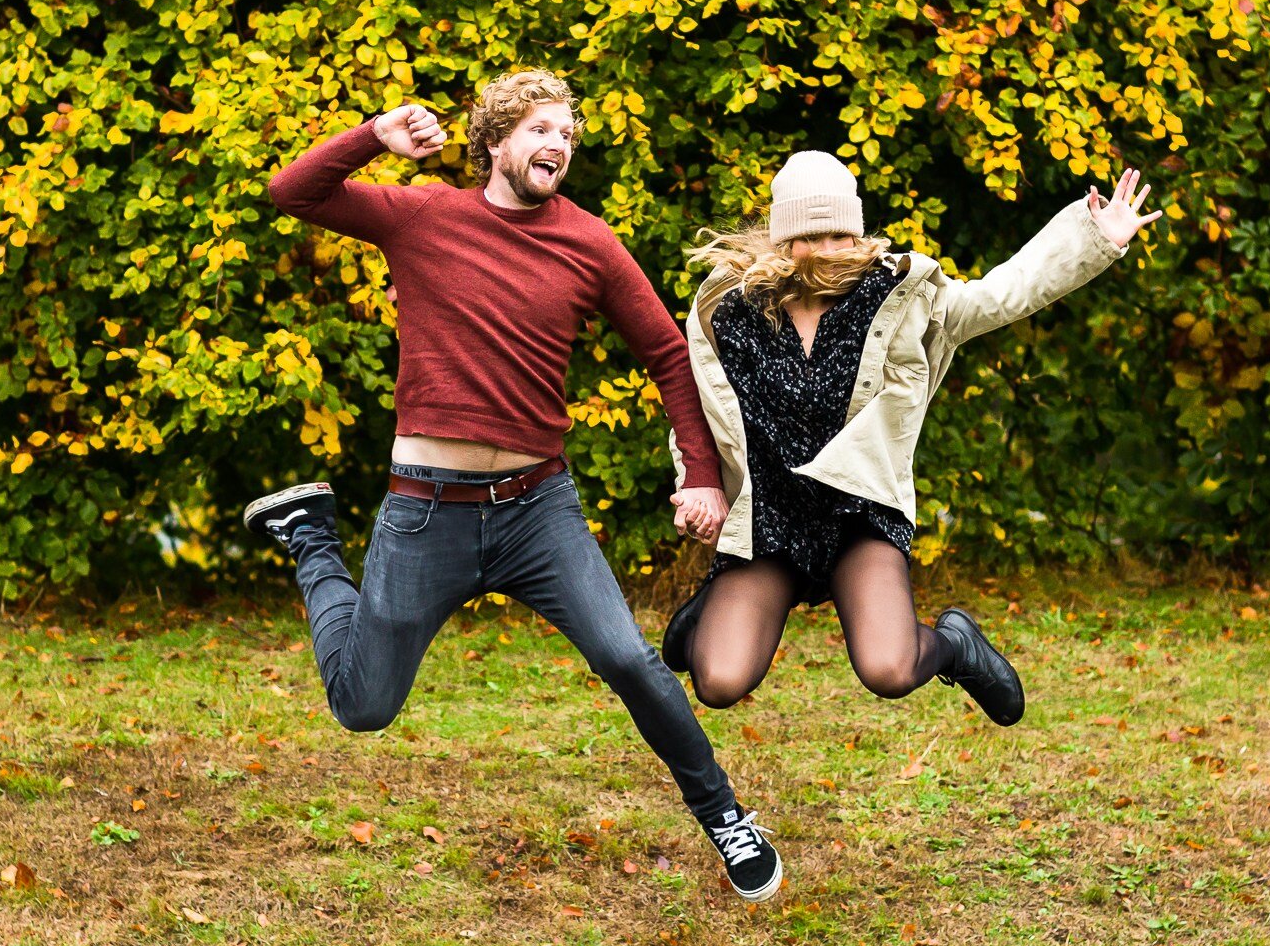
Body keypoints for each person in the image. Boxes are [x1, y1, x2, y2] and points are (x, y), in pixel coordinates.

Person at [243, 68, 781, 900]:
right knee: (363, 707)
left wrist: (701, 476)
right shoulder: (423, 215)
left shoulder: (589, 242)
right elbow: (292, 191)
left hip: (538, 510)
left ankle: (727, 819)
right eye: (539, 129)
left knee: (629, 660)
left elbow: (669, 355)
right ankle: (313, 536)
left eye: (566, 132)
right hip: (425, 511)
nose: (557, 144)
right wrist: (373, 138)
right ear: (494, 143)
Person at [660, 150, 1160, 722]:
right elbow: (700, 407)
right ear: (782, 238)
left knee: (889, 670)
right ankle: (712, 614)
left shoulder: (899, 296)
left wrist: (1095, 238)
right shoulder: (734, 310)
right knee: (719, 682)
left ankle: (956, 644)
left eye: (841, 236)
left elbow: (1003, 294)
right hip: (770, 521)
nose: (828, 251)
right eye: (811, 237)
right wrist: (697, 484)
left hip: (857, 516)